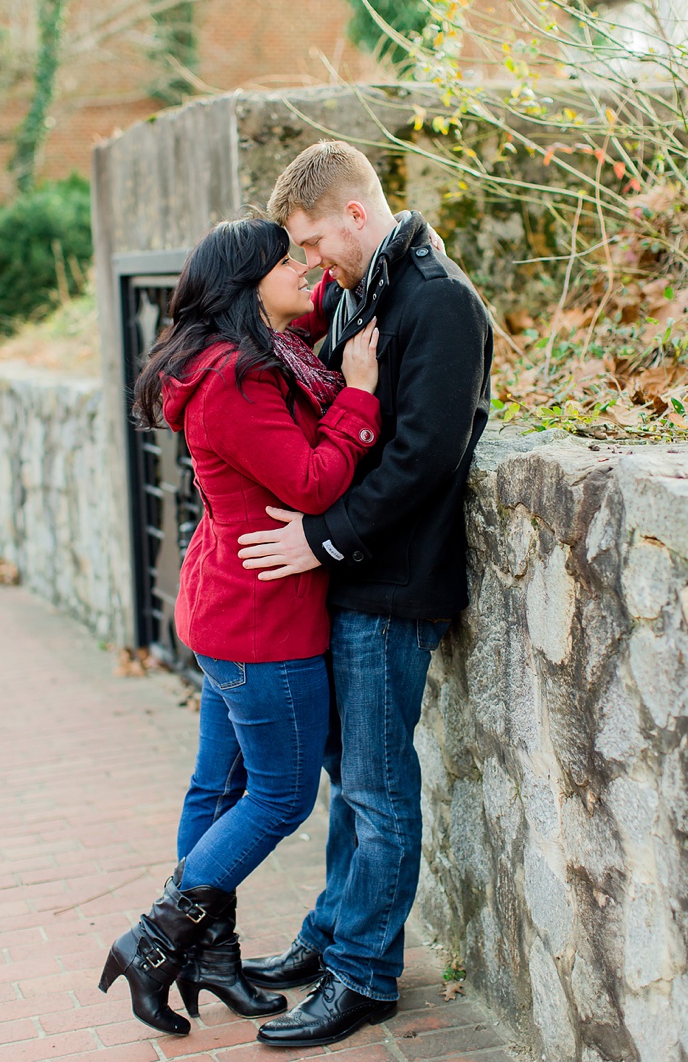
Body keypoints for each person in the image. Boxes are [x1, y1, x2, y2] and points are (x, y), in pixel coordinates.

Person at [234, 141, 492, 1048]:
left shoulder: (440, 301)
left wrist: (319, 537)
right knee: (354, 787)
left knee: (379, 792)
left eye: (313, 241)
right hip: (354, 583)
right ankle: (329, 937)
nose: (312, 263)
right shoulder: (366, 291)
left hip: (392, 584)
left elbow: (425, 460)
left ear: (354, 212)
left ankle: (364, 976)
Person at [100, 216, 383, 1037]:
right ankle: (156, 940)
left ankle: (210, 953)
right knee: (281, 796)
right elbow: (313, 481)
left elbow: (329, 286)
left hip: (228, 602)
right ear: (244, 285)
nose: (304, 268)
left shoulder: (245, 355)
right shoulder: (234, 377)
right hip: (264, 619)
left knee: (216, 788)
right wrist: (360, 394)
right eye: (284, 260)